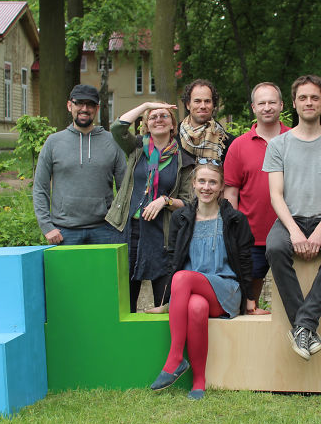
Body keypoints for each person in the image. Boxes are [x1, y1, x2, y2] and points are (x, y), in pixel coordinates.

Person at [149, 161, 254, 400]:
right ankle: (198, 382)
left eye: (213, 182)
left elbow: (246, 260)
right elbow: (172, 259)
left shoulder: (235, 219)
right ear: (193, 184)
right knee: (196, 307)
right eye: (202, 181)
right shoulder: (182, 218)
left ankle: (175, 357)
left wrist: (250, 300)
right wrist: (166, 302)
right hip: (191, 291)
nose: (207, 187)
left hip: (225, 288)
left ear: (221, 187)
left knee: (183, 277)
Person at [263, 74, 321, 360]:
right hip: (290, 220)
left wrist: (320, 232)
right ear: (294, 104)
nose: (309, 102)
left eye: (314, 97)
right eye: (303, 98)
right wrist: (296, 232)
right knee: (275, 247)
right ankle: (306, 327)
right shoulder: (278, 145)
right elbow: (276, 195)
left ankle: (303, 325)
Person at [106, 101, 194, 312]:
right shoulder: (136, 148)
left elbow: (189, 202)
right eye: (152, 117)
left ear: (173, 125)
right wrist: (146, 104)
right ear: (146, 125)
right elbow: (117, 127)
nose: (158, 120)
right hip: (129, 230)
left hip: (161, 233)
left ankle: (163, 343)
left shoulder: (183, 158)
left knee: (163, 301)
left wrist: (165, 200)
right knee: (124, 300)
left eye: (164, 116)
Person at [223, 82, 290, 315]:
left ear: (281, 105)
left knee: (291, 302)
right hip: (251, 237)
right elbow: (231, 192)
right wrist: (233, 229)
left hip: (292, 234)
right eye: (261, 103)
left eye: (272, 102)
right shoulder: (238, 146)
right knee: (248, 305)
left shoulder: (296, 140)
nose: (267, 107)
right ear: (253, 107)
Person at [33, 84, 126, 245]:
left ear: (97, 108)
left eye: (90, 104)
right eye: (79, 103)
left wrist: (120, 223)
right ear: (70, 106)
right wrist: (47, 226)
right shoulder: (53, 142)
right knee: (66, 272)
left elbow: (125, 188)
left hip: (105, 231)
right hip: (64, 232)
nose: (84, 108)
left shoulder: (112, 142)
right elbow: (40, 188)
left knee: (104, 272)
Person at [177, 79, 235, 162]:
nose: (203, 106)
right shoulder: (172, 140)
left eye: (207, 101)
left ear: (213, 105)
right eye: (197, 101)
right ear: (188, 105)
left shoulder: (229, 143)